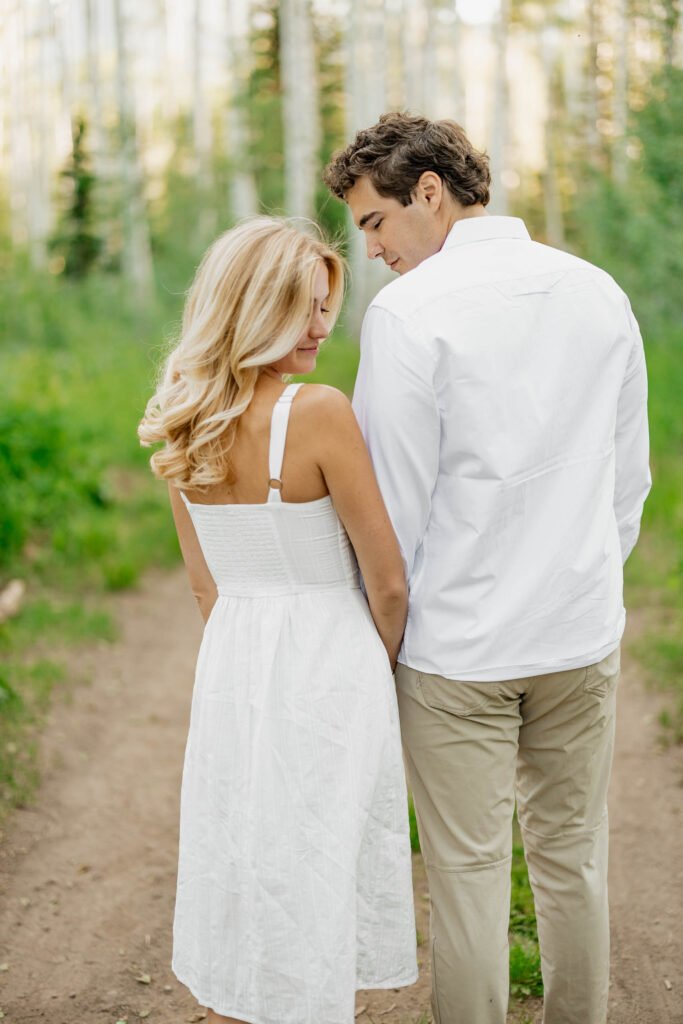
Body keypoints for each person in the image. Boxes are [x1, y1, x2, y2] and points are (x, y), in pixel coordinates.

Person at [324, 113, 651, 1024]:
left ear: (428, 192)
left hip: (457, 652)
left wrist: (387, 636)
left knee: (468, 875)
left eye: (375, 221)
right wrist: (578, 578)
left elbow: (392, 509)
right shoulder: (596, 291)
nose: (375, 247)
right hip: (578, 634)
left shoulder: (407, 315)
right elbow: (629, 480)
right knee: (572, 855)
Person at [138, 217, 418, 1024]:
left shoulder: (181, 415)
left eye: (327, 306)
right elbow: (387, 581)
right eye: (301, 308)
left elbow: (205, 588)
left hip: (234, 657)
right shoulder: (318, 411)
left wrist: (246, 662)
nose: (320, 327)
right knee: (321, 847)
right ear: (251, 307)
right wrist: (383, 664)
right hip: (332, 654)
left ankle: (256, 999)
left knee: (252, 840)